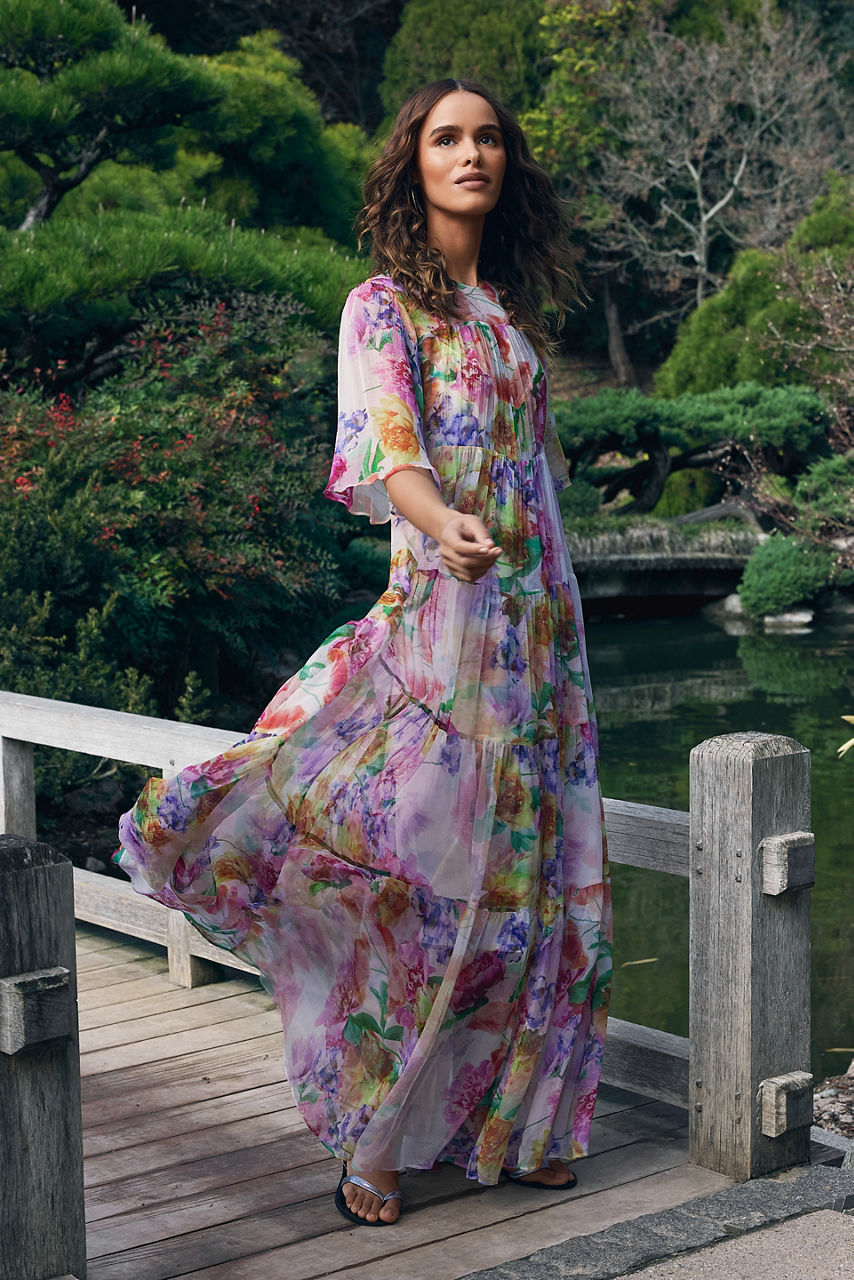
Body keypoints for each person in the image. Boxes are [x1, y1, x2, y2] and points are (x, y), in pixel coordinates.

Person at [115, 77, 612, 1230]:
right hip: (439, 624)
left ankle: (520, 1123)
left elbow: (538, 481)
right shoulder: (380, 307)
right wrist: (445, 526)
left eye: (487, 138)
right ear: (412, 165)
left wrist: (548, 609)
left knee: (535, 878)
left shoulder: (506, 319)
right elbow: (392, 453)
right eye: (446, 138)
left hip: (536, 636)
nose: (471, 153)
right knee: (422, 879)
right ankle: (377, 1131)